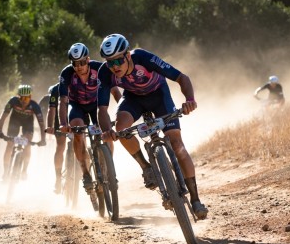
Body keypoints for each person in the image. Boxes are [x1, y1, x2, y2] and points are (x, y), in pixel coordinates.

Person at [96, 33, 208, 220]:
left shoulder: (143, 57)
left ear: (128, 56)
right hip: (133, 100)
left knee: (178, 145)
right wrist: (108, 131)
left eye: (118, 61)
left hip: (159, 96)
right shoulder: (105, 72)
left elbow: (181, 77)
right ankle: (147, 168)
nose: (114, 67)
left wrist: (189, 100)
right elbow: (102, 108)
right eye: (110, 62)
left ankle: (196, 200)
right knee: (121, 129)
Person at [58, 43, 121, 199]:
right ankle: (85, 173)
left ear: (88, 59)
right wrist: (63, 123)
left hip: (96, 105)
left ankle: (109, 169)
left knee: (106, 131)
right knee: (78, 131)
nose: (78, 67)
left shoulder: (100, 69)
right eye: (75, 63)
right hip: (77, 105)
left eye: (82, 63)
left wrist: (122, 111)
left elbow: (115, 92)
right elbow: (63, 101)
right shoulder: (66, 74)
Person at [0, 84, 46, 181]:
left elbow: (41, 124)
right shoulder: (13, 101)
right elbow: (3, 116)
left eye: (26, 98)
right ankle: (5, 172)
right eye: (21, 98)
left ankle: (24, 171)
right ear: (18, 97)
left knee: (27, 143)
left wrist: (43, 139)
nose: (23, 101)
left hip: (28, 123)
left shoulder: (35, 106)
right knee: (9, 144)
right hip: (14, 122)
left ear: (30, 97)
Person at [44, 82, 66, 194]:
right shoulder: (55, 89)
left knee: (82, 141)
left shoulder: (81, 83)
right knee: (60, 146)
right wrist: (50, 126)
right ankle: (58, 177)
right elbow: (51, 109)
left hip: (76, 115)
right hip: (60, 118)